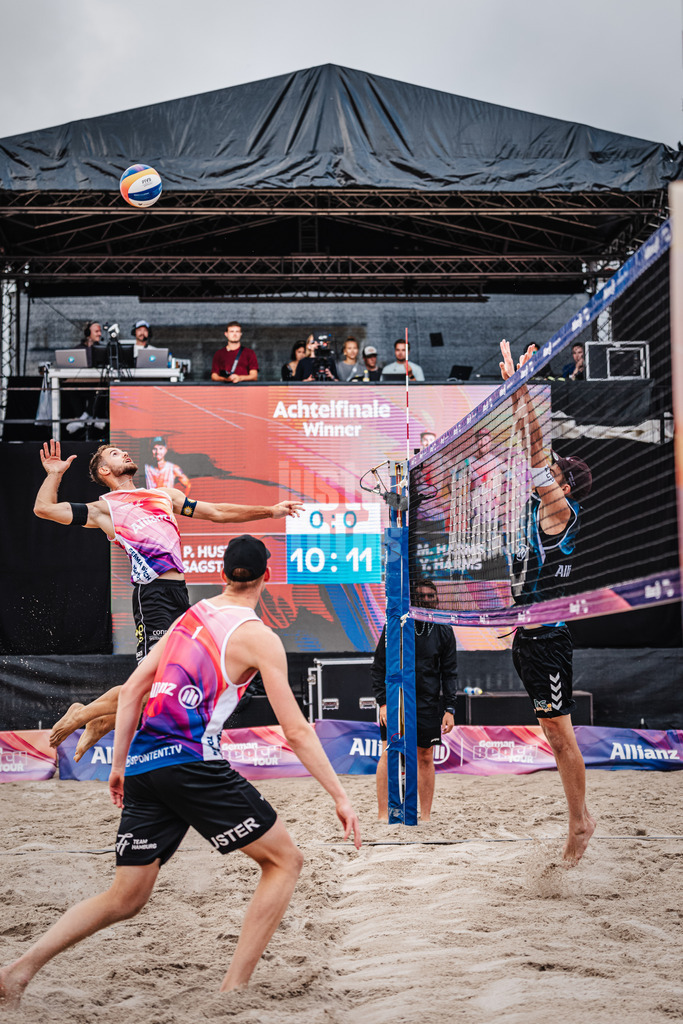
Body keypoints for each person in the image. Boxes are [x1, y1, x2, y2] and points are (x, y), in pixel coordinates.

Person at [0, 535, 361, 1009]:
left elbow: (133, 689)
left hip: (145, 763)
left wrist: (121, 765)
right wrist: (339, 795)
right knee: (284, 862)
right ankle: (232, 992)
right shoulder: (259, 637)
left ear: (222, 574)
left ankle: (16, 972)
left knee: (125, 897)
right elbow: (295, 730)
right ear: (267, 577)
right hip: (191, 763)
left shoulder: (189, 617)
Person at [34, 439, 302, 760]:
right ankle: (84, 714)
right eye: (115, 454)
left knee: (170, 687)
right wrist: (54, 474)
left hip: (178, 594)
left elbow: (217, 512)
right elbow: (44, 509)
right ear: (105, 471)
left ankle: (102, 721)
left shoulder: (164, 495)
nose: (125, 453)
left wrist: (270, 511)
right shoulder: (105, 508)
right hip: (152, 596)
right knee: (152, 684)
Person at [500, 338, 595, 865]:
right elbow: (530, 450)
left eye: (554, 473)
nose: (543, 472)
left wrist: (525, 389)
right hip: (526, 638)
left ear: (564, 486)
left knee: (561, 736)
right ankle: (578, 819)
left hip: (549, 640)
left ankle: (580, 822)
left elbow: (537, 457)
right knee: (553, 734)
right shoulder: (538, 509)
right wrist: (518, 395)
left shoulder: (561, 512)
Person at [371, 579, 457, 822]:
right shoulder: (395, 626)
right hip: (396, 700)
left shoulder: (443, 629)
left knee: (425, 756)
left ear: (436, 599)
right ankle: (383, 815)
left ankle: (425, 816)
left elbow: (449, 672)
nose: (427, 600)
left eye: (431, 596)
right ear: (413, 600)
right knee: (389, 753)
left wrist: (449, 708)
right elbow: (378, 668)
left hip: (428, 702)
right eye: (422, 596)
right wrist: (383, 702)